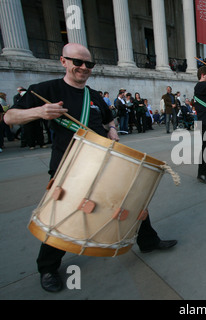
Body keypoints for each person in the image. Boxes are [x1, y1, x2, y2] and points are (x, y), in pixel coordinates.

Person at [4, 43, 177, 293]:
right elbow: (9, 117)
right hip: (69, 165)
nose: (83, 68)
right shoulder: (45, 90)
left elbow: (109, 119)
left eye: (89, 64)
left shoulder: (94, 95)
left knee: (133, 201)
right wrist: (41, 111)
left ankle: (148, 241)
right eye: (78, 62)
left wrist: (114, 130)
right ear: (63, 61)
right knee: (64, 217)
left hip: (106, 162)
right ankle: (48, 268)